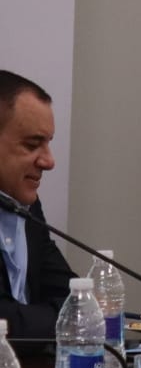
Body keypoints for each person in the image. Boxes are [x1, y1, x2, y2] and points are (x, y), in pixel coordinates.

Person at [0, 71, 76, 348]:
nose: (49, 161)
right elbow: (5, 324)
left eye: (48, 143)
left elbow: (76, 299)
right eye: (32, 145)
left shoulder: (26, 205)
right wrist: (65, 320)